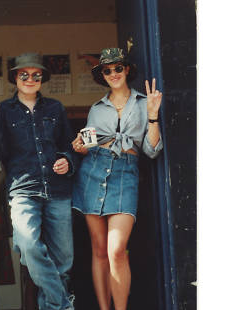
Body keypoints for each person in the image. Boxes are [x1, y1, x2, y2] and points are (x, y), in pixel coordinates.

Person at [0, 52, 77, 310]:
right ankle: (64, 306)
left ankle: (55, 306)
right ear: (15, 77)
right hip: (24, 189)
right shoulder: (3, 110)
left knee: (63, 263)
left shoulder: (55, 108)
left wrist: (67, 160)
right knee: (27, 245)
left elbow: (68, 146)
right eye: (24, 74)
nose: (30, 79)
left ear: (42, 78)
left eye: (36, 75)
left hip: (58, 190)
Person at [70, 47, 163, 310]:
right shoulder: (96, 108)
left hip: (125, 173)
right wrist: (79, 146)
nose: (113, 73)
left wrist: (153, 114)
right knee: (99, 251)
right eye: (107, 70)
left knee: (116, 250)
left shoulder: (144, 102)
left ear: (127, 70)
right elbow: (87, 143)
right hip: (93, 172)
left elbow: (151, 150)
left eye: (118, 68)